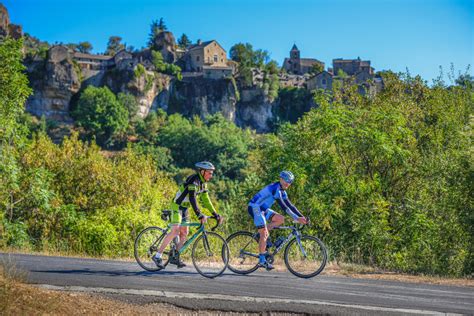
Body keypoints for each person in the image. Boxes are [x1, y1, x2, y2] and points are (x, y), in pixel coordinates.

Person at [152, 161, 223, 269]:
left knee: (184, 233)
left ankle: (175, 256)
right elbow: (192, 198)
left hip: (185, 208)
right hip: (177, 206)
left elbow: (206, 200)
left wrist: (215, 214)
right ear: (202, 171)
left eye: (212, 173)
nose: (211, 175)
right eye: (209, 173)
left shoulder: (203, 183)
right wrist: (199, 214)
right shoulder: (193, 180)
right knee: (175, 230)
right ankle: (158, 256)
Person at [248, 170, 307, 270]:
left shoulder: (282, 191)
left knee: (280, 219)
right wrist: (296, 218)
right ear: (281, 179)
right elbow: (284, 207)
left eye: (290, 182)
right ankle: (262, 260)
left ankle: (260, 235)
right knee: (265, 234)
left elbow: (291, 205)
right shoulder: (276, 189)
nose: (288, 183)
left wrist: (303, 217)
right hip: (255, 207)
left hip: (263, 208)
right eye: (286, 180)